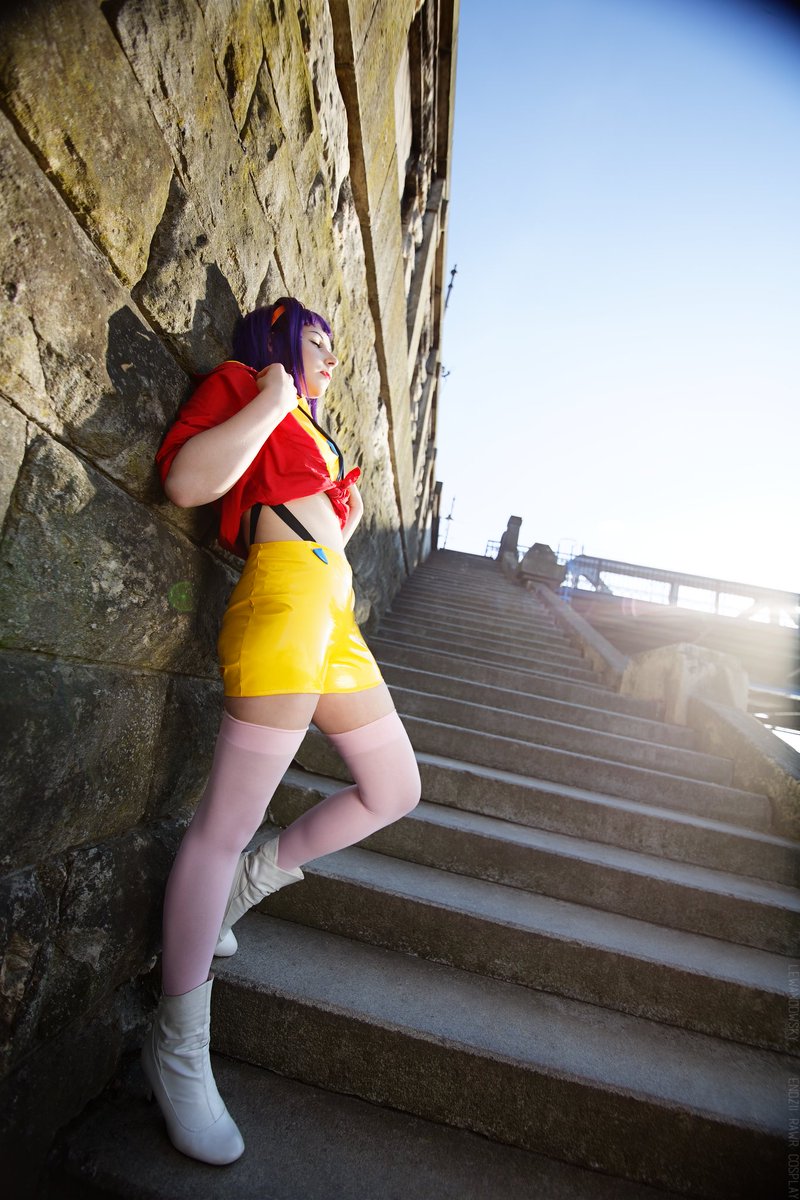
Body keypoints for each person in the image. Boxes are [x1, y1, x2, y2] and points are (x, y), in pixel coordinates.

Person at [141, 297, 421, 1165]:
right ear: (278, 339)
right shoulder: (247, 384)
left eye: (335, 346)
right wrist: (269, 396)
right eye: (316, 341)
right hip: (285, 604)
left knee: (395, 788)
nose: (331, 358)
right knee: (221, 825)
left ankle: (243, 891)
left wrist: (343, 519)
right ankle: (177, 1045)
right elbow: (188, 482)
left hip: (334, 615)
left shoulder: (310, 428)